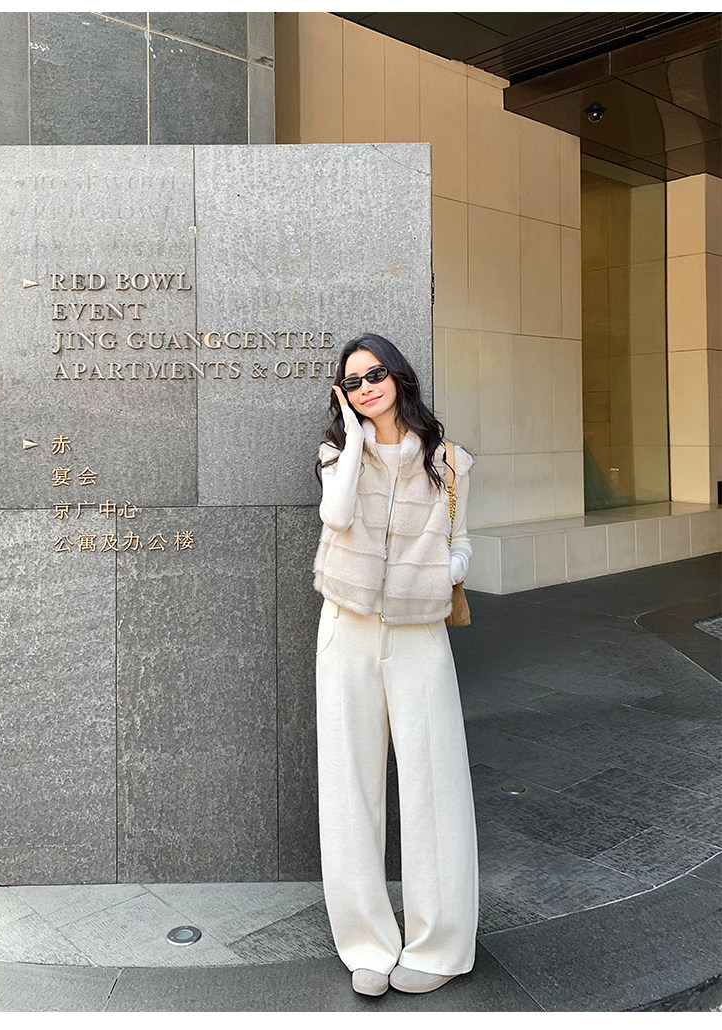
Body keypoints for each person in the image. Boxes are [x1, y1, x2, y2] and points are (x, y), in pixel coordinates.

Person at [312, 333, 479, 998]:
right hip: (346, 629)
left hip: (418, 635)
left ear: (399, 376)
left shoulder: (447, 459)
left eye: (375, 373)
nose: (366, 387)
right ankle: (366, 943)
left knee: (434, 785)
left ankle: (439, 945)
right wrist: (355, 440)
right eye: (352, 382)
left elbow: (462, 542)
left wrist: (441, 573)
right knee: (349, 787)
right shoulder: (336, 453)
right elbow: (336, 516)